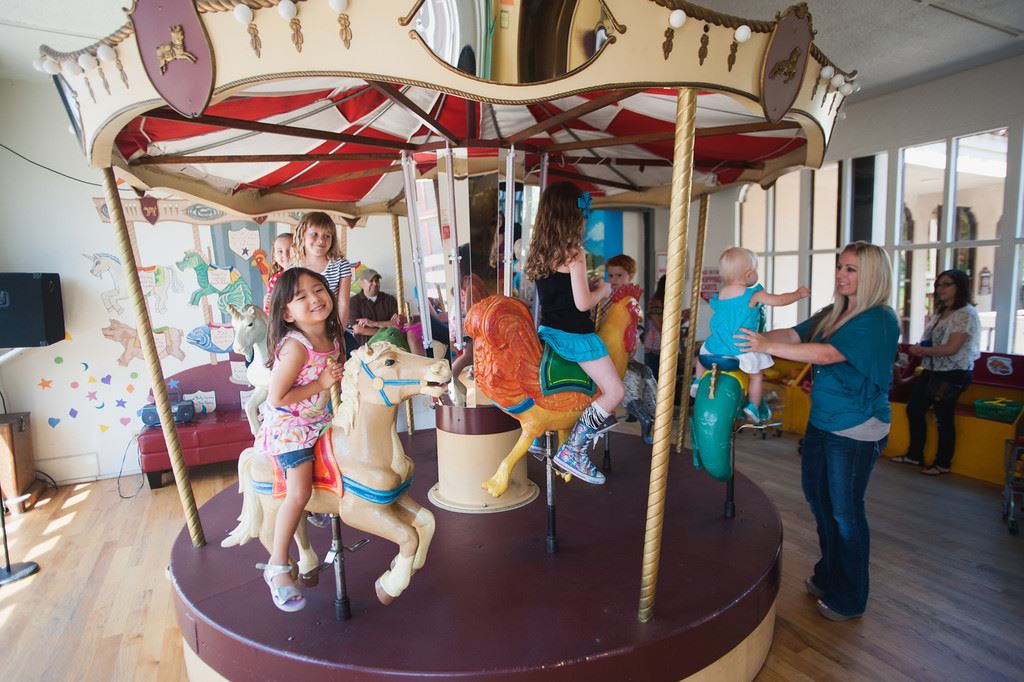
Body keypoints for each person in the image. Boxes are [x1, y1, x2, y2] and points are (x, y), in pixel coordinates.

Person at [736, 241, 899, 622]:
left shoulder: (878, 319)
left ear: (871, 275)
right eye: (840, 267)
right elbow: (794, 335)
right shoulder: (834, 313)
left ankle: (851, 594)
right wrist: (745, 338)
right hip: (824, 422)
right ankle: (830, 574)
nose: (841, 275)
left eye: (851, 269)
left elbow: (825, 354)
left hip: (857, 427)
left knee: (845, 511)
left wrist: (763, 344)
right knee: (819, 500)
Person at [254, 267, 344, 612]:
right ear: (287, 313)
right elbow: (276, 398)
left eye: (318, 290)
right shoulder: (296, 347)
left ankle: (318, 508)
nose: (315, 299)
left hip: (317, 419)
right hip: (290, 427)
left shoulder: (330, 337)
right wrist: (321, 384)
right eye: (301, 296)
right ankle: (278, 565)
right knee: (299, 491)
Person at [523, 181, 624, 484]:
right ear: (572, 217)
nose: (584, 221)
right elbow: (582, 305)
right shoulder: (574, 254)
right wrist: (603, 291)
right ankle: (574, 450)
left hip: (548, 332)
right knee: (616, 391)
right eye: (583, 216)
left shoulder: (538, 253)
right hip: (576, 338)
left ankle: (549, 435)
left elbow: (559, 297)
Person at [697, 246, 810, 422]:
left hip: (716, 347)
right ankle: (753, 406)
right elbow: (779, 300)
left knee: (702, 352)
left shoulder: (722, 294)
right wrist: (798, 294)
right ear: (749, 275)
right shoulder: (753, 294)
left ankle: (697, 381)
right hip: (742, 348)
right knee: (756, 377)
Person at [891, 269, 980, 475]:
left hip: (952, 371)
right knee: (914, 409)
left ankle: (942, 463)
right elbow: (934, 340)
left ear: (959, 287)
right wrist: (921, 348)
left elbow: (952, 348)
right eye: (938, 285)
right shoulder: (942, 312)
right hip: (932, 369)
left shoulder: (965, 313)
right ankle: (915, 455)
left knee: (943, 417)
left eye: (946, 284)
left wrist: (924, 350)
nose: (940, 289)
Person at [290, 211, 353, 353]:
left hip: (333, 326)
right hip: (303, 329)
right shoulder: (293, 268)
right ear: (303, 235)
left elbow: (343, 303)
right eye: (314, 234)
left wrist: (338, 333)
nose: (321, 240)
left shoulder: (340, 265)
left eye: (327, 236)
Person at [348, 268, 403, 347]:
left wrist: (373, 323)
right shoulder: (353, 302)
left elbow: (397, 324)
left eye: (377, 280)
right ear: (362, 283)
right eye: (371, 281)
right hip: (365, 347)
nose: (375, 284)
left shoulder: (389, 299)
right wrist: (386, 330)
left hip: (389, 344)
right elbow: (358, 329)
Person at [262, 232, 293, 313]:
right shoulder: (275, 280)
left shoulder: (307, 275)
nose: (285, 255)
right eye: (280, 251)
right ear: (274, 256)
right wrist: (268, 303)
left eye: (290, 250)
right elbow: (270, 310)